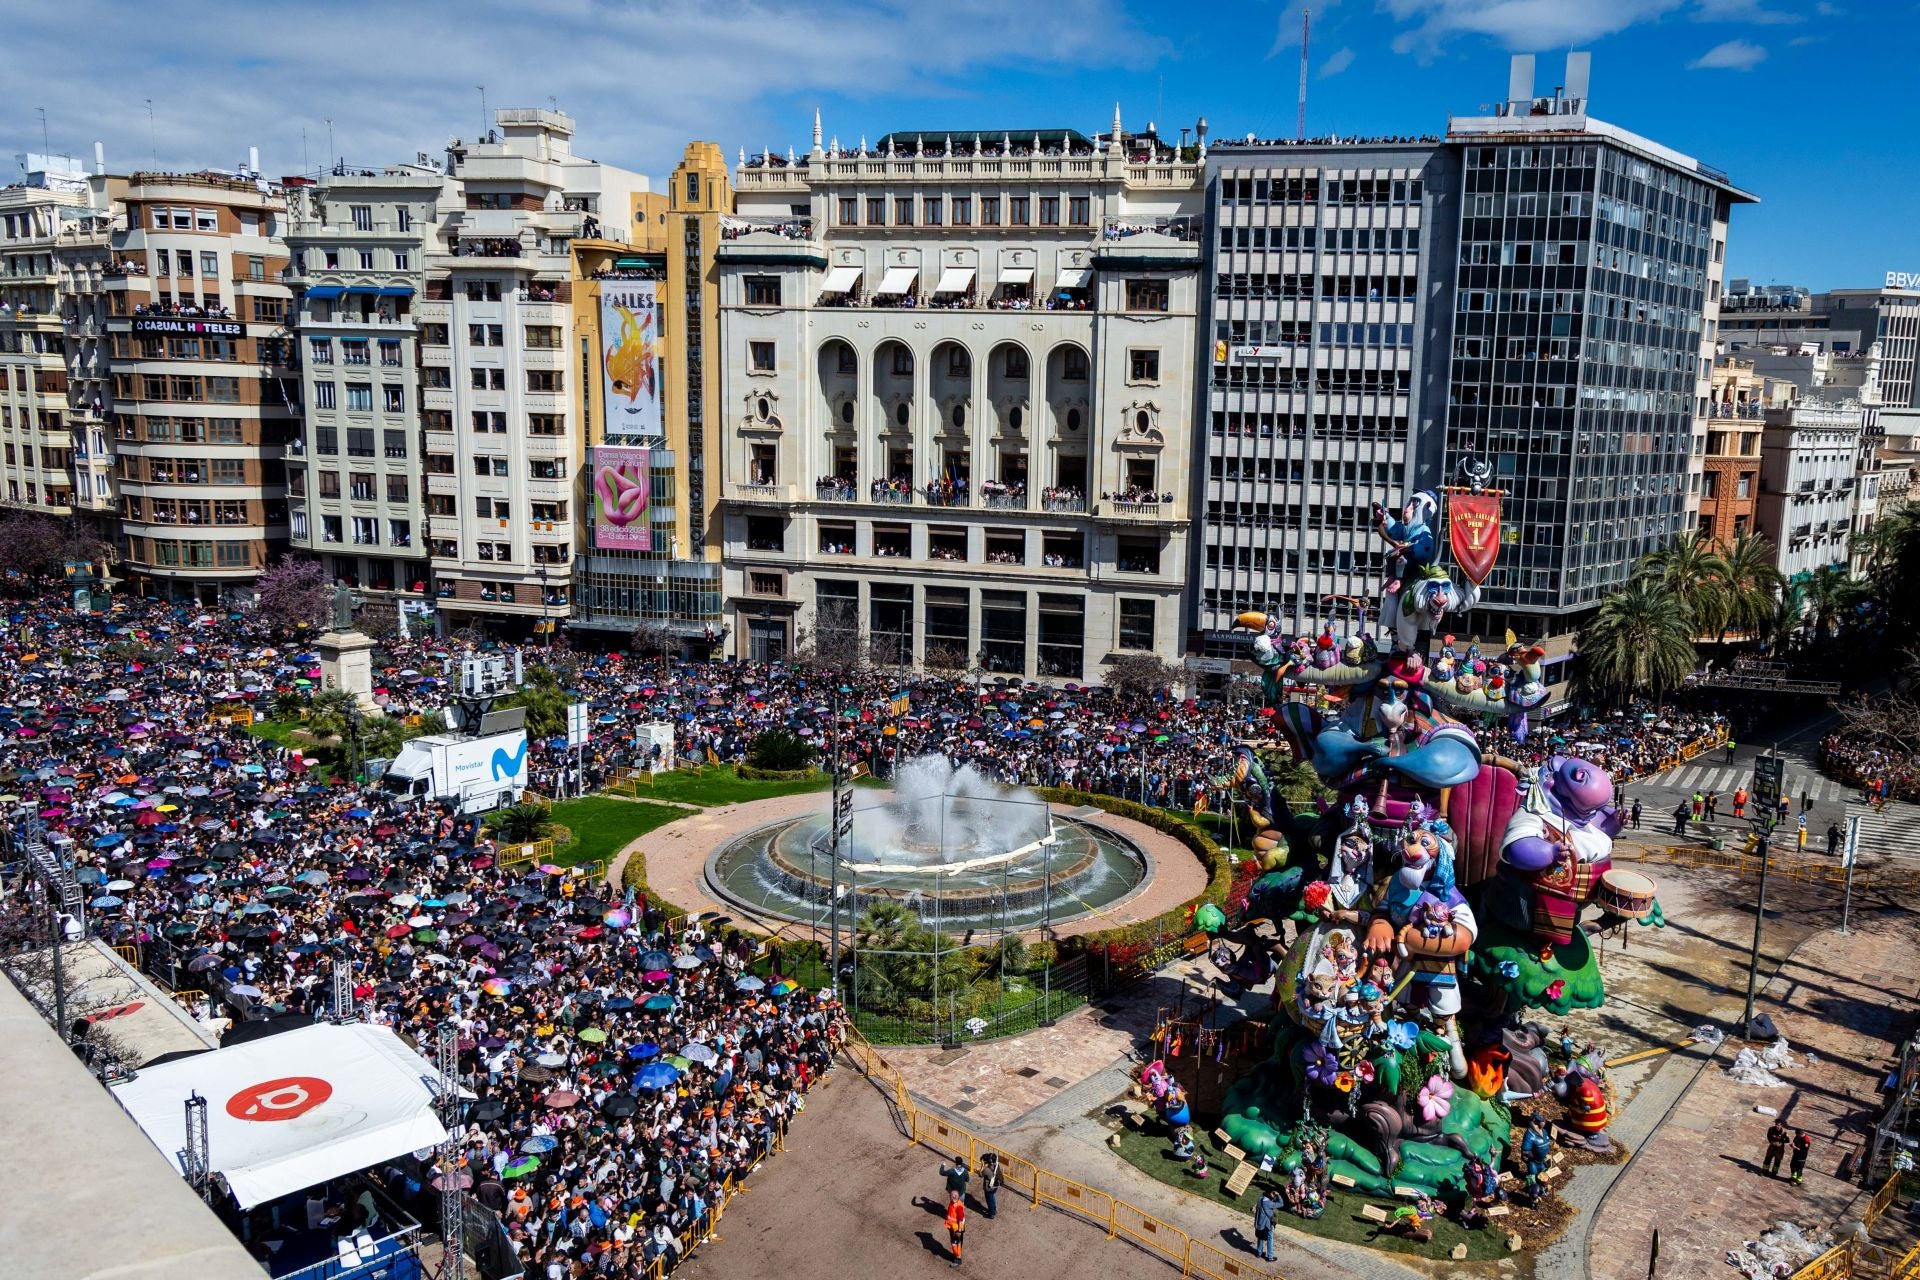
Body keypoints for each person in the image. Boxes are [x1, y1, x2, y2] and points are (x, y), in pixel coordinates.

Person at [1521, 1112, 1552, 1202]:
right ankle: (1532, 1195)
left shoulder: (1544, 1132)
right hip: (1534, 1162)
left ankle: (1543, 1190)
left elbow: (1546, 1142)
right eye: (1541, 1122)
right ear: (1535, 1122)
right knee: (1532, 1177)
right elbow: (1526, 1151)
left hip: (1542, 1160)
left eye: (1544, 1122)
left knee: (1544, 1176)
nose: (1543, 1124)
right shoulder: (1530, 1135)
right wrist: (1533, 1156)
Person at [1253, 1187, 1280, 1260]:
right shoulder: (1269, 1203)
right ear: (1269, 1194)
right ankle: (1270, 1257)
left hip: (1259, 1223)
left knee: (1260, 1237)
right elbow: (1274, 1212)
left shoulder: (1260, 1199)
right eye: (1273, 1193)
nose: (1274, 1195)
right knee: (1270, 1238)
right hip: (1267, 1224)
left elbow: (1253, 1209)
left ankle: (1259, 1253)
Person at [944, 1193, 966, 1268]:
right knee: (955, 1243)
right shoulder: (953, 1202)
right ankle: (955, 1255)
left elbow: (960, 1219)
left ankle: (958, 1260)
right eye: (951, 1196)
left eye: (954, 1196)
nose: (952, 1197)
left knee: (956, 1243)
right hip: (953, 1228)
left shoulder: (958, 1206)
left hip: (956, 1229)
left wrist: (958, 1231)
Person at [979, 1152, 1000, 1219]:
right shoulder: (996, 1165)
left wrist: (982, 1166)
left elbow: (980, 1174)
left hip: (989, 1188)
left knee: (989, 1200)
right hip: (995, 1186)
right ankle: (994, 1210)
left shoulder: (987, 1170)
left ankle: (991, 1214)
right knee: (992, 1198)